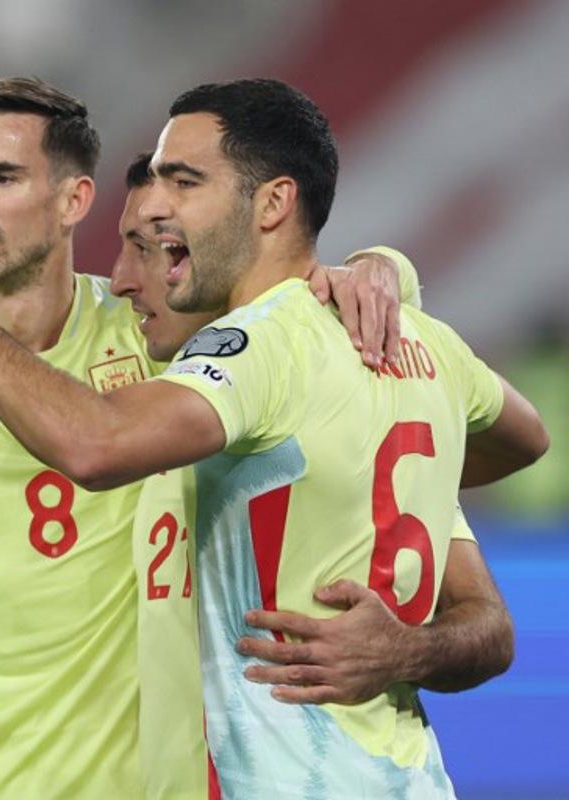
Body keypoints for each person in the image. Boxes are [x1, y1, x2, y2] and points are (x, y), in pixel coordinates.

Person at [0, 76, 549, 796]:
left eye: (185, 183)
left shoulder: (253, 352)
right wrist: (410, 650)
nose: (164, 213)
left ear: (272, 203)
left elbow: (96, 446)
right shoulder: (418, 343)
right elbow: (526, 446)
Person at [114, 150, 518, 797]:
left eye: (153, 248)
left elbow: (490, 627)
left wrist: (407, 650)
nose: (123, 280)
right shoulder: (153, 394)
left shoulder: (333, 405)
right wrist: (384, 266)